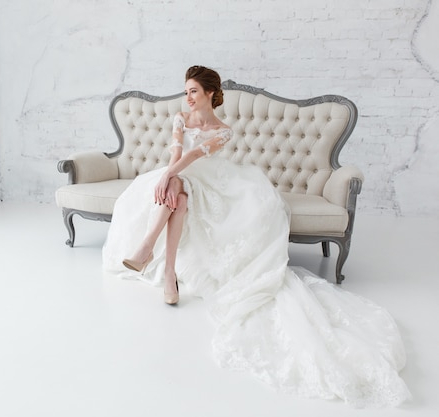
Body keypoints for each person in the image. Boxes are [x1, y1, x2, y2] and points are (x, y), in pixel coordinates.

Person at [102, 66, 411, 407]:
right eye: (186, 91)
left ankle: (150, 252)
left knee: (182, 188)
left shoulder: (223, 131)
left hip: (209, 180)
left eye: (193, 91)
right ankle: (166, 273)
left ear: (209, 93)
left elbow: (193, 156)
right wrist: (165, 176)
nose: (187, 97)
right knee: (179, 192)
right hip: (178, 176)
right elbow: (176, 156)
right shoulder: (179, 118)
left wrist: (172, 176)